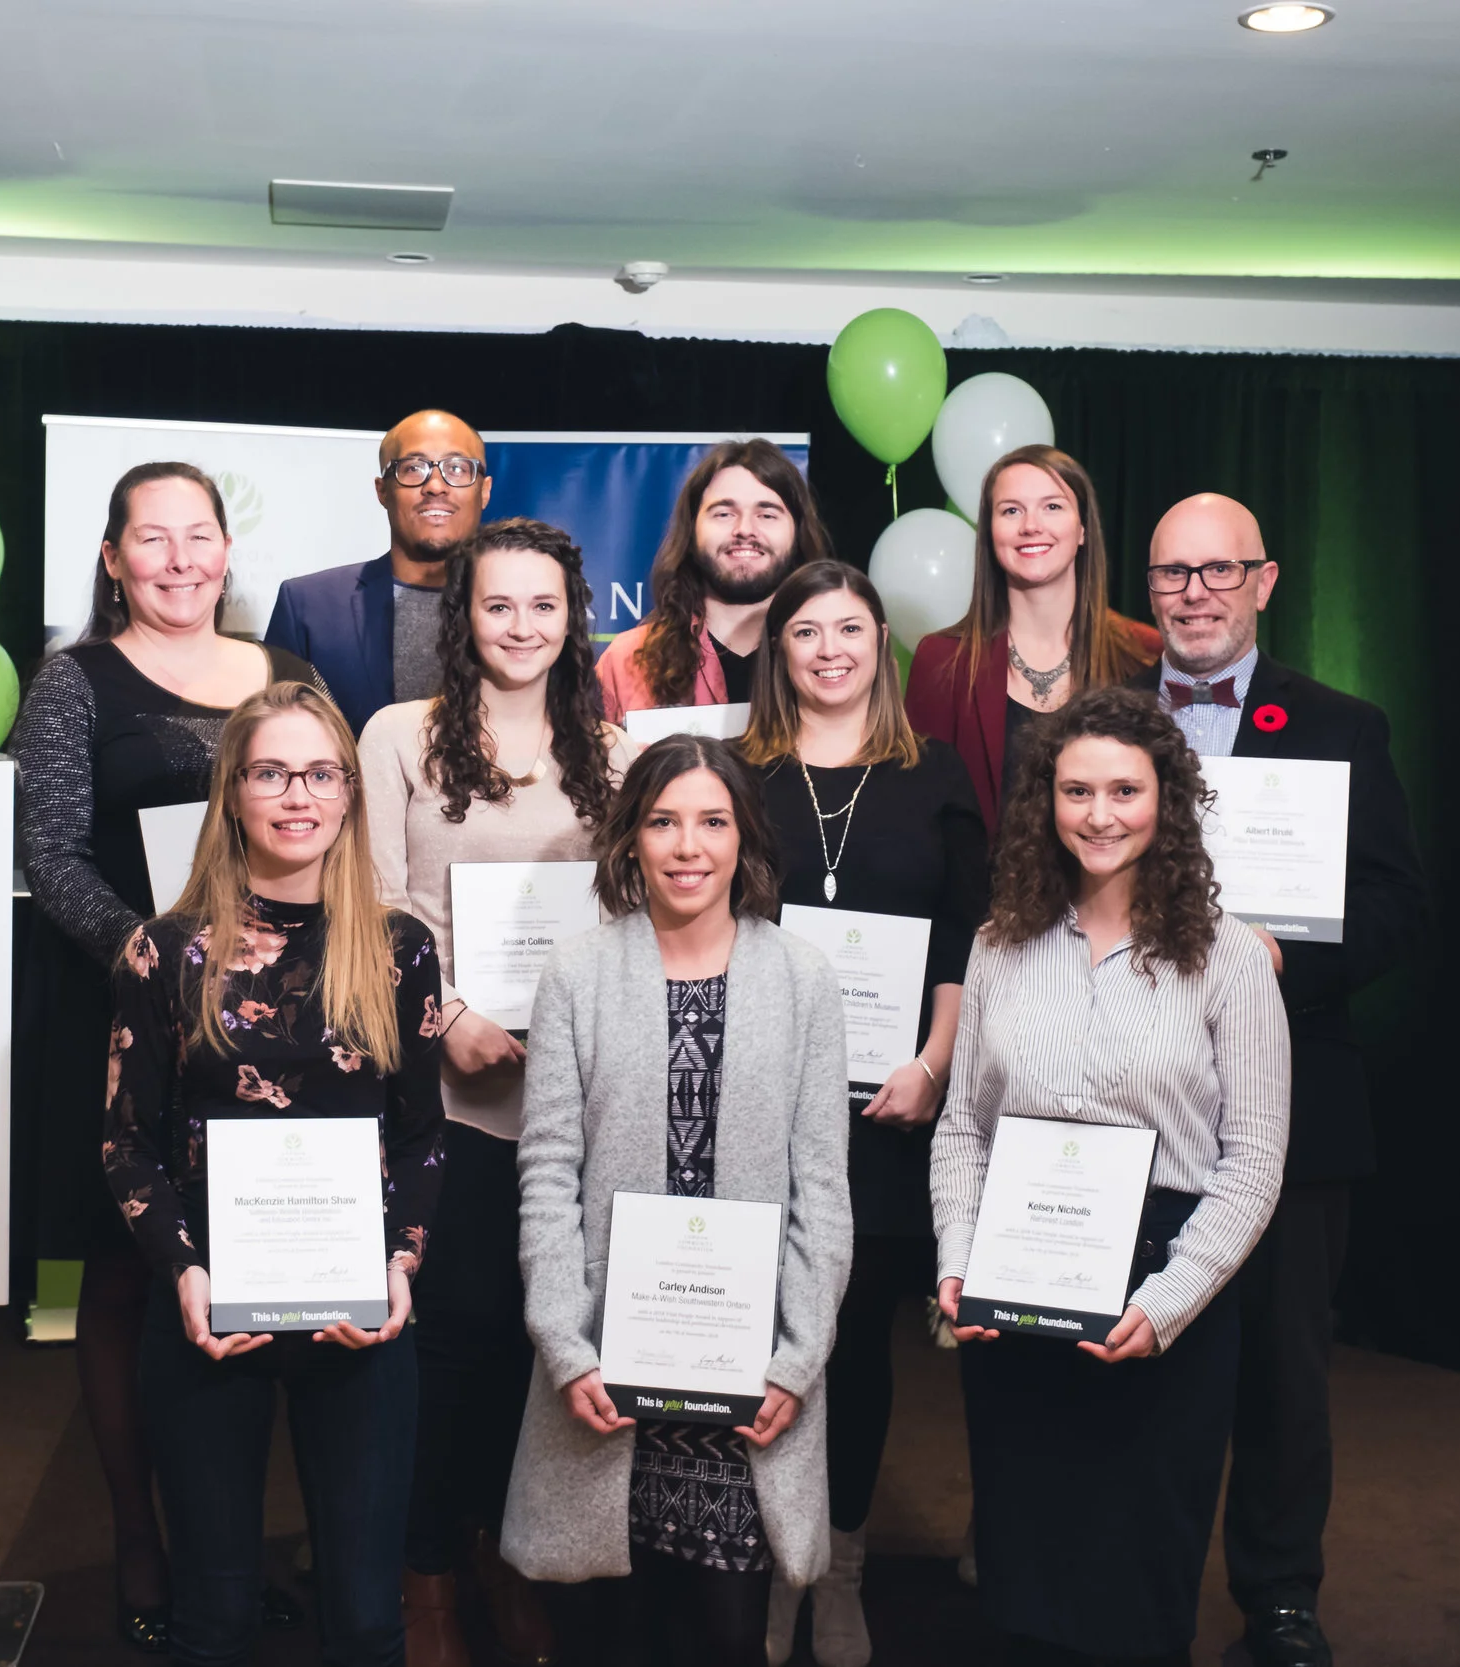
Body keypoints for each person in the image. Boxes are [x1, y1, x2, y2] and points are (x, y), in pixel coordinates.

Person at [11, 460, 326, 1654]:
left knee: (263, 1279)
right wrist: (156, 953)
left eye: (201, 535)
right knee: (133, 1277)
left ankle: (234, 1553)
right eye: (154, 538)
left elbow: (320, 815)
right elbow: (49, 850)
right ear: (112, 556)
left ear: (227, 550)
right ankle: (140, 1539)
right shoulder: (73, 680)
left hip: (270, 1027)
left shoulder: (287, 678)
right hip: (126, 1015)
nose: (181, 558)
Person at [933, 685, 1290, 1667]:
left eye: (1124, 789)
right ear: (1045, 801)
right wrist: (959, 1260)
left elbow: (1254, 1160)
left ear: (1166, 799)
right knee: (1024, 1577)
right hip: (1018, 1283)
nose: (1098, 813)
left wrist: (1168, 1300)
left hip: (1163, 1290)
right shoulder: (1001, 940)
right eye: (1075, 789)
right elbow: (963, 1127)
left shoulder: (1228, 957)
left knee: (1134, 1591)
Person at [1131, 493, 1427, 1667]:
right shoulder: (1102, 727)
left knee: (1281, 1373)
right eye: (1171, 573)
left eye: (1218, 570)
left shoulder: (1340, 723)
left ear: (1264, 580)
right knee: (1134, 1354)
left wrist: (1281, 959)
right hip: (1130, 1102)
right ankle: (1131, 1584)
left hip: (1294, 1103)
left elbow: (1403, 904)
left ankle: (1280, 1598)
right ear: (1146, 587)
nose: (1194, 592)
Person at [107, 680, 446, 1667]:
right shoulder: (163, 951)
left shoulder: (398, 950)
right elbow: (124, 1140)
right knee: (212, 1615)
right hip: (212, 1316)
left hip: (362, 1316)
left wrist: (399, 1264)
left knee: (366, 1616)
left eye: (319, 772)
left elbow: (424, 1135)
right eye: (269, 772)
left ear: (347, 792)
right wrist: (185, 1272)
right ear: (233, 794)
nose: (296, 794)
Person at [501, 735, 853, 1667]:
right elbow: (546, 1172)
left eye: (711, 821)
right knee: (612, 1636)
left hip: (746, 1388)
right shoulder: (578, 972)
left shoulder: (804, 977)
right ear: (630, 841)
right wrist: (563, 1343)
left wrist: (796, 1360)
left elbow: (823, 1188)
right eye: (663, 821)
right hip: (605, 1379)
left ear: (745, 840)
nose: (687, 845)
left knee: (728, 1639)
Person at [358, 518, 642, 1667]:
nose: (520, 627)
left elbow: (640, 912)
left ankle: (510, 1554)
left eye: (542, 606)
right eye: (496, 605)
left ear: (573, 616)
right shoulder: (398, 738)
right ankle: (427, 1570)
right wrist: (449, 1021)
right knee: (450, 1345)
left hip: (573, 1110)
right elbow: (373, 905)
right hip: (447, 1102)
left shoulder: (615, 754)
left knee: (543, 1351)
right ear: (459, 617)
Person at [737, 561, 989, 1667]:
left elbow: (964, 938)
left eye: (849, 627)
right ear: (777, 650)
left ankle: (837, 1567)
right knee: (762, 1342)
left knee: (857, 1350)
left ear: (881, 640)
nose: (828, 647)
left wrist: (934, 1065)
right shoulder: (737, 776)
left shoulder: (932, 775)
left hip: (888, 1114)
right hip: (761, 1105)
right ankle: (768, 1567)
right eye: (805, 630)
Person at [905, 444, 1163, 822]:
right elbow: (917, 815)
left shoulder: (1143, 653)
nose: (1030, 525)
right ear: (990, 534)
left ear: (1082, 530)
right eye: (1011, 510)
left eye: (1052, 506)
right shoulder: (941, 661)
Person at [265, 410, 492, 735]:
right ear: (382, 490)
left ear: (484, 490)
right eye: (414, 468)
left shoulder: (526, 612)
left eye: (456, 468)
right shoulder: (308, 606)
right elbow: (274, 740)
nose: (436, 485)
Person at [594, 438, 835, 723]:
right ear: (692, 532)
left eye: (767, 514)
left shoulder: (833, 659)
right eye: (724, 513)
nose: (745, 529)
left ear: (798, 533)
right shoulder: (627, 661)